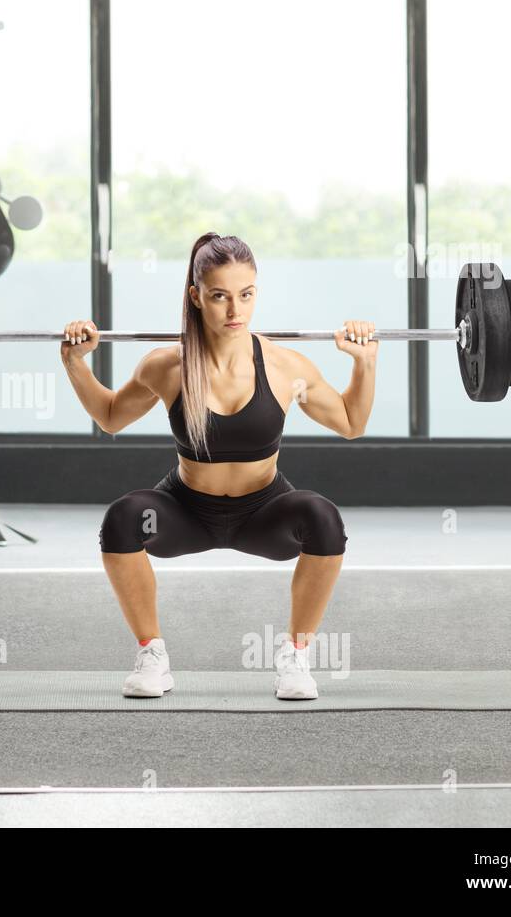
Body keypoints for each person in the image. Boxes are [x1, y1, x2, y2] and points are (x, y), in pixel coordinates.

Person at [61, 233, 377, 700]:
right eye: (219, 296)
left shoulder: (285, 366)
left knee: (322, 517)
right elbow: (110, 416)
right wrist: (75, 363)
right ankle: (152, 656)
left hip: (264, 515)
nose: (235, 310)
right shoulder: (167, 366)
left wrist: (364, 364)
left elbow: (351, 422)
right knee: (124, 518)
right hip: (186, 513)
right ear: (196, 296)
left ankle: (295, 655)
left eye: (245, 295)